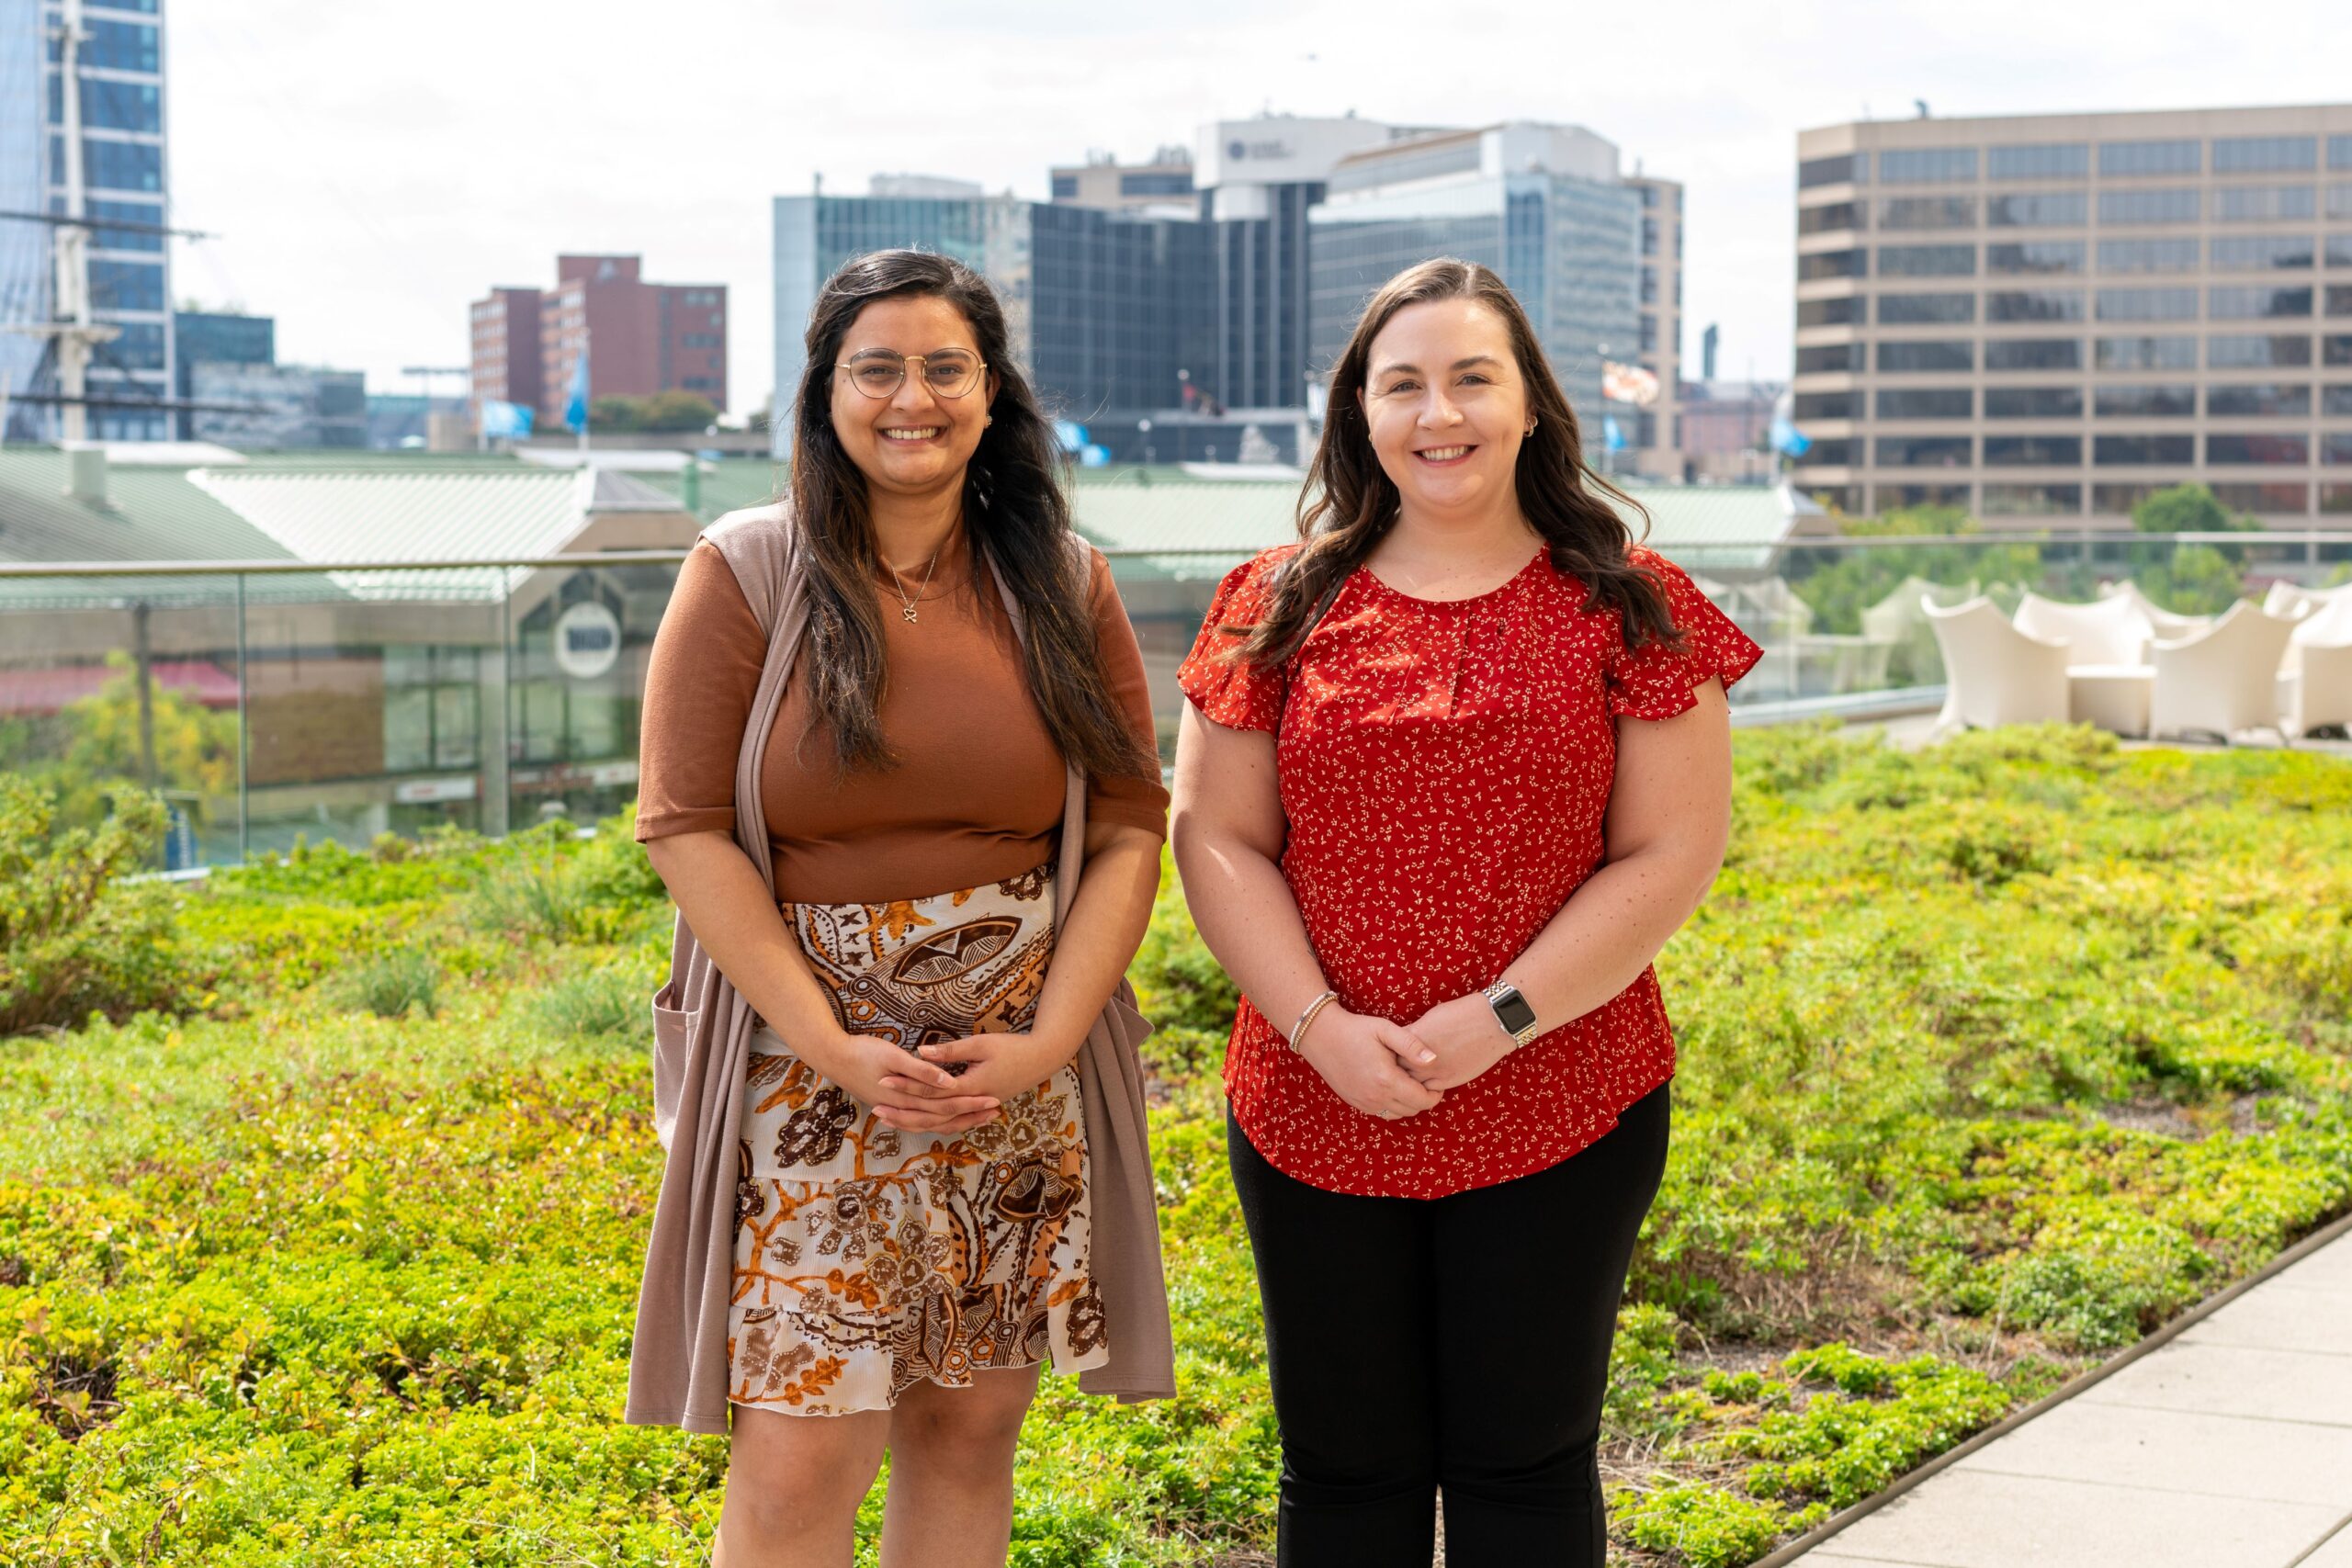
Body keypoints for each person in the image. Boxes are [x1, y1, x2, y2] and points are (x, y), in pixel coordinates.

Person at [1170, 257, 1761, 1567]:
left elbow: (1668, 855)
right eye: (1405, 386)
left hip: (1561, 1091)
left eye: (1472, 378)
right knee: (1344, 1473)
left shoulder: (1630, 603)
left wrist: (1500, 1020)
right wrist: (1322, 1029)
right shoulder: (1279, 601)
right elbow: (1214, 835)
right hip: (1314, 1094)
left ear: (1532, 405)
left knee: (1524, 1471)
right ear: (1362, 417)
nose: (1441, 414)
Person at [630, 249, 1170, 1568]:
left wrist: (1045, 1043)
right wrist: (826, 1041)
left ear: (991, 396)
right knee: (803, 1448)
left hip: (1013, 1076)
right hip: (807, 1076)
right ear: (826, 393)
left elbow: (1131, 826)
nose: (911, 396)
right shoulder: (747, 570)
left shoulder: (1065, 579)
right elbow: (684, 825)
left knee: (973, 1427)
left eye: (945, 367)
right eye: (877, 367)